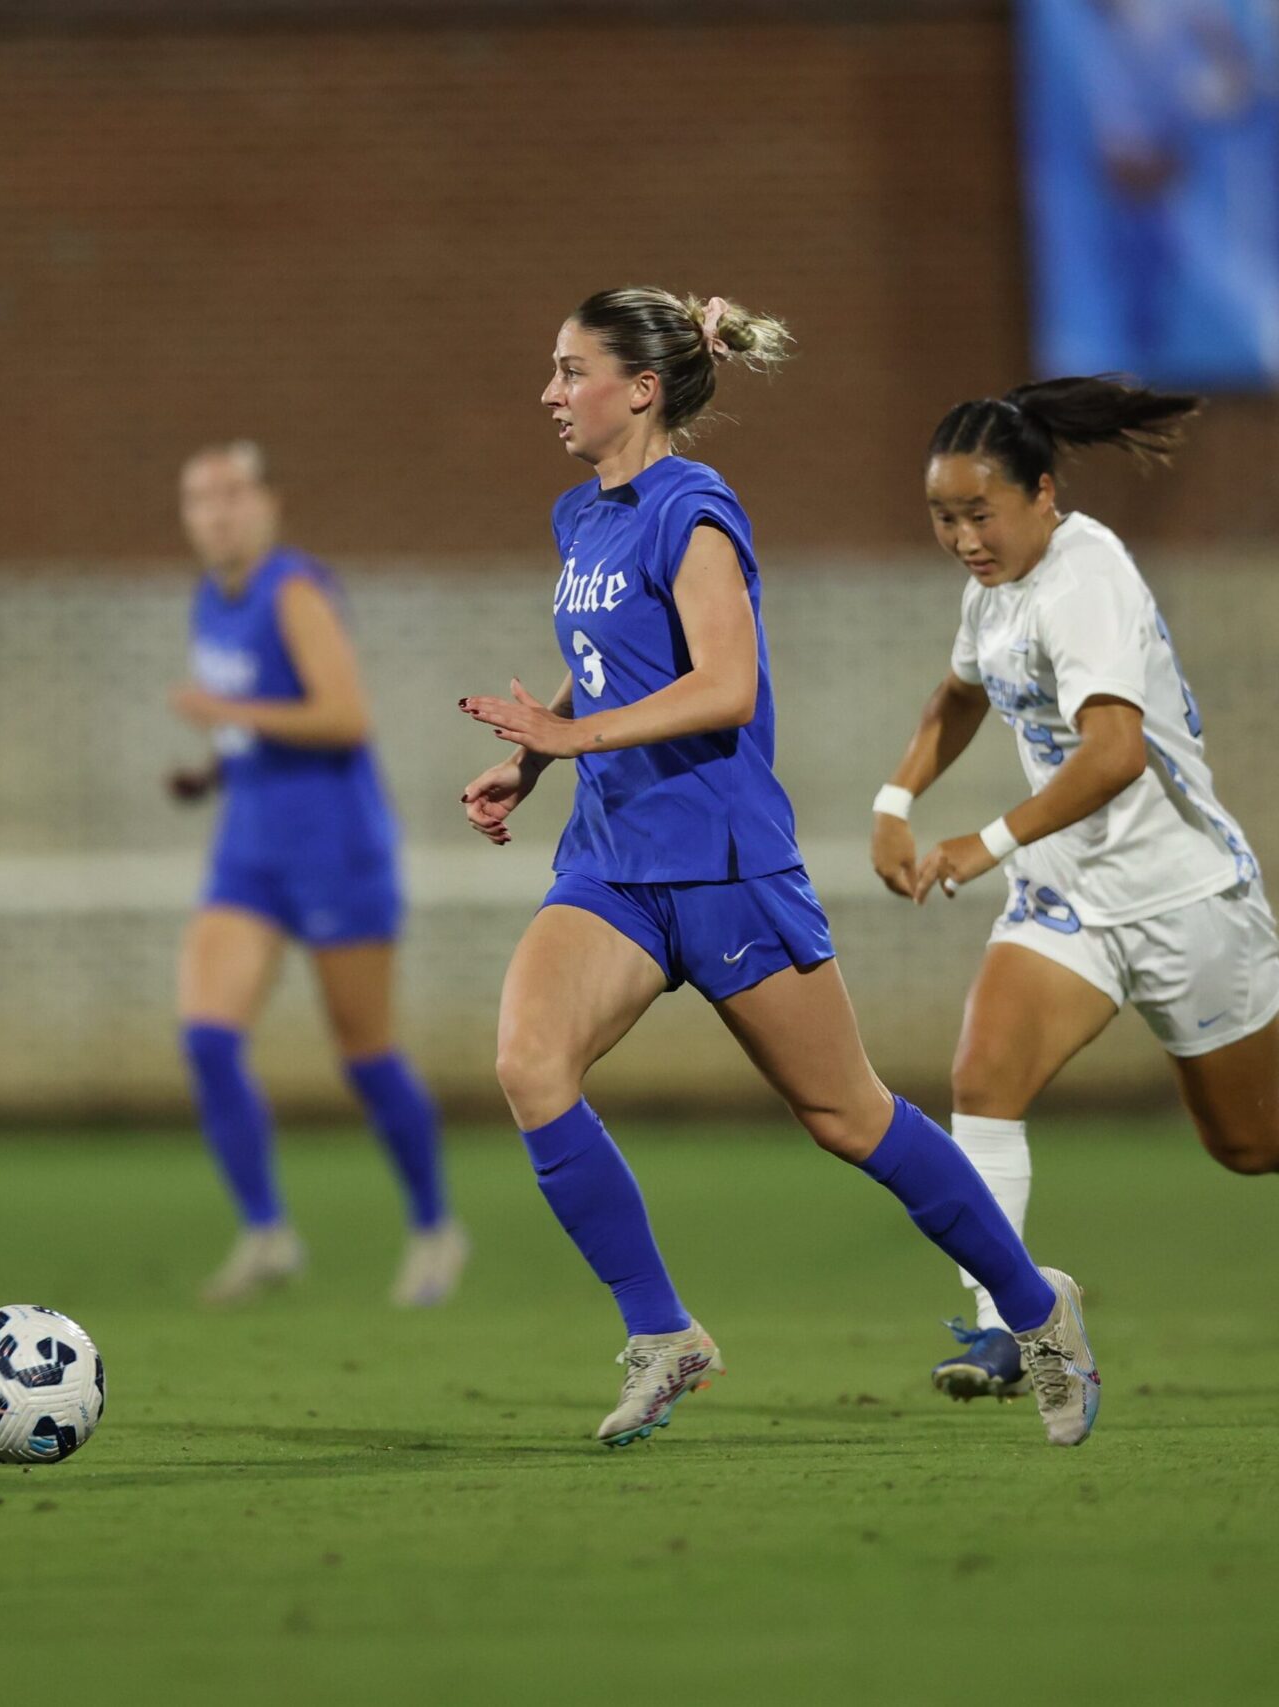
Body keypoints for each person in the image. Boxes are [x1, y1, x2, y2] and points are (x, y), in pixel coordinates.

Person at [458, 288, 1099, 1448]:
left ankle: (1037, 1310)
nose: (549, 393)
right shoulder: (581, 516)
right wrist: (535, 758)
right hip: (610, 864)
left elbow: (724, 685)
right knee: (528, 1063)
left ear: (640, 388)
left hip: (722, 864)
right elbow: (607, 663)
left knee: (847, 1116)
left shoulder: (695, 508)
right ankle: (662, 1333)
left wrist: (569, 738)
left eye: (569, 371)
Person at [869, 376, 1279, 1401]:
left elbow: (1114, 755)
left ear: (1044, 494)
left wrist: (985, 841)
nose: (964, 536)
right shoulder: (994, 587)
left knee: (1250, 1139)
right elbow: (963, 692)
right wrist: (894, 797)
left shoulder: (1084, 577)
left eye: (981, 512)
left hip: (1180, 896)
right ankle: (1007, 1326)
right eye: (943, 516)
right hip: (1069, 897)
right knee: (981, 1086)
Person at [166, 441, 465, 1309]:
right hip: (248, 848)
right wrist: (215, 765)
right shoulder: (208, 600)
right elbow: (260, 725)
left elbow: (343, 716)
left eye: (231, 494)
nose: (216, 511)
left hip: (336, 846)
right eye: (199, 498)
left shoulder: (293, 589)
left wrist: (223, 712)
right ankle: (267, 1233)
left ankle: (435, 1227)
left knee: (366, 1057)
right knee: (208, 1039)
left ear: (269, 504)